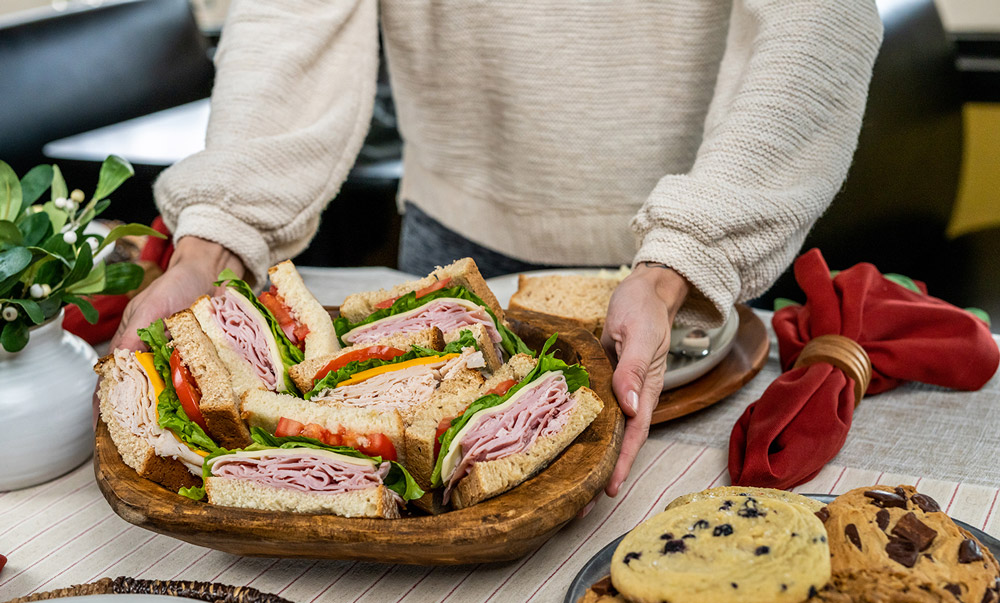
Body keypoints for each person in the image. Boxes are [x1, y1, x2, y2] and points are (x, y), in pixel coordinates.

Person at [109, 0, 883, 500]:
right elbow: (290, 17)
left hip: (693, 282)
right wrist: (207, 248)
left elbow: (820, 19)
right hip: (448, 249)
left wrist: (685, 255)